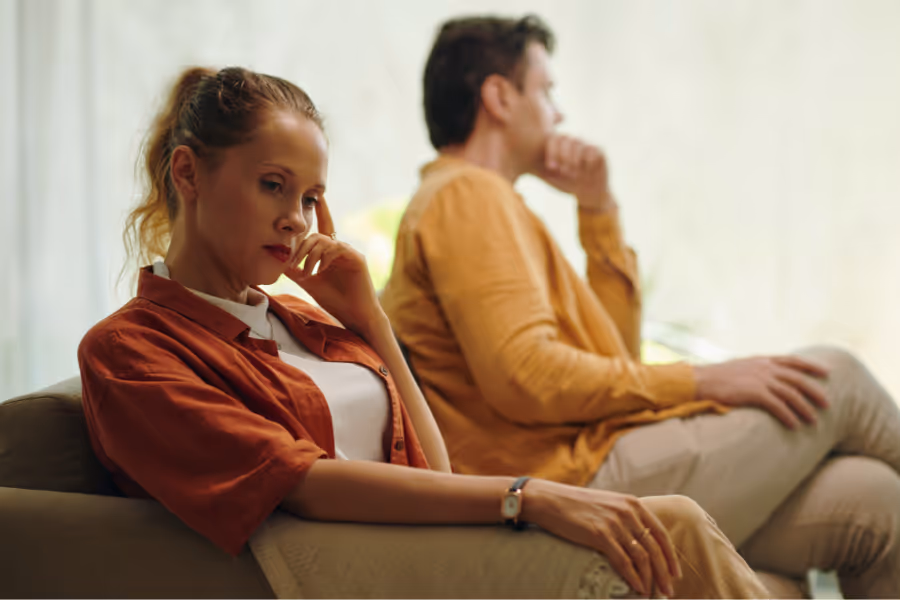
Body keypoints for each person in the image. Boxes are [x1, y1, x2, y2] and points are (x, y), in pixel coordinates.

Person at [77, 66, 769, 599]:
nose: (297, 218)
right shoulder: (128, 349)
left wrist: (369, 320)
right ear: (189, 173)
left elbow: (433, 468)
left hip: (425, 538)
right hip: (335, 568)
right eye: (272, 185)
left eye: (311, 197)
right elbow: (305, 485)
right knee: (669, 522)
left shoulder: (306, 321)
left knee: (676, 525)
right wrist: (529, 495)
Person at [380, 14, 900, 598]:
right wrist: (704, 381)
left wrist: (598, 211)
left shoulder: (483, 201)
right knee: (840, 378)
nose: (559, 113)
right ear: (499, 96)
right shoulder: (465, 195)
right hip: (570, 479)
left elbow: (611, 354)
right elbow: (526, 377)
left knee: (877, 500)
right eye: (547, 91)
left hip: (593, 453)